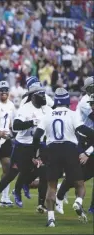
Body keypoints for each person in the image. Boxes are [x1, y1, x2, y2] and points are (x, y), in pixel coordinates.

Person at [33, 88, 94, 227]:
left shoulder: (47, 115)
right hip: (69, 149)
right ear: (67, 100)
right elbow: (82, 130)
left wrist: (37, 154)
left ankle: (51, 219)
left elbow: (36, 137)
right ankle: (78, 202)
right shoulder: (72, 114)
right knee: (79, 182)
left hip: (52, 149)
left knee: (52, 185)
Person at [0, 83, 51, 212]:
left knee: (43, 173)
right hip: (23, 146)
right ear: (33, 96)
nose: (43, 96)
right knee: (11, 174)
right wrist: (32, 122)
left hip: (39, 145)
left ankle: (41, 204)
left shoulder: (46, 108)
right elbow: (16, 126)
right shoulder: (25, 108)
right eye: (40, 94)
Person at [56, 80, 94, 215]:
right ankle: (60, 192)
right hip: (85, 138)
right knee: (80, 174)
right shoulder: (85, 101)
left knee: (86, 174)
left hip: (90, 138)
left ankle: (89, 205)